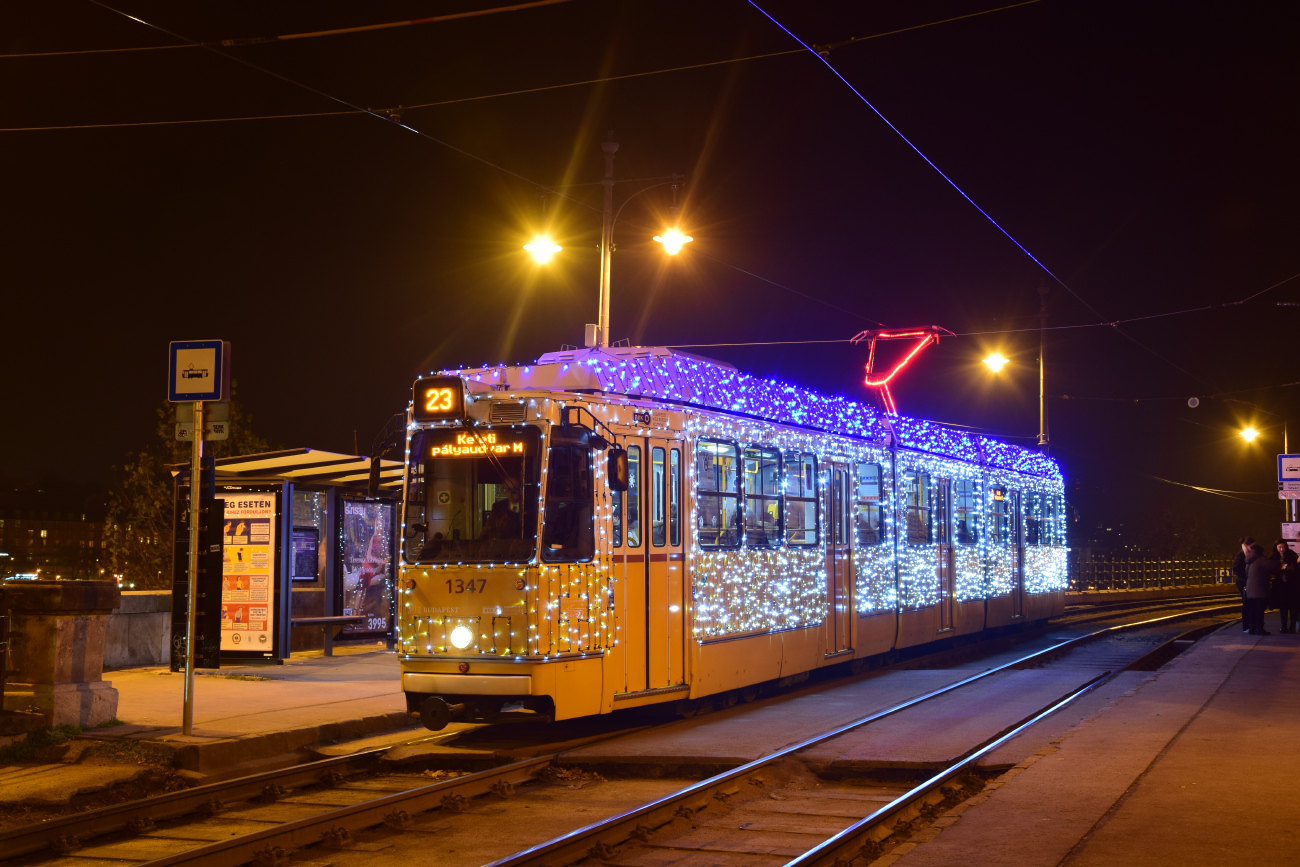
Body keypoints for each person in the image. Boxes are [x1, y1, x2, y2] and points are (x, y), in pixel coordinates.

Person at [1245, 544, 1278, 635]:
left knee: (1252, 609)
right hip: (1259, 589)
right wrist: (1282, 563)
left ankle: (1252, 628)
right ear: (1261, 552)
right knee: (1259, 609)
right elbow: (1274, 565)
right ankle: (1259, 629)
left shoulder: (1249, 560)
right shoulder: (1261, 560)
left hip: (1251, 589)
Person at [1275, 539, 1300, 633]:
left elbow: (1296, 567)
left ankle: (1292, 626)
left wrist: (1288, 568)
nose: (1282, 549)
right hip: (1280, 585)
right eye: (1279, 547)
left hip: (1292, 584)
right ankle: (1284, 626)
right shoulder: (1274, 556)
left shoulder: (1291, 554)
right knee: (1283, 606)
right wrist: (1282, 567)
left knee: (1293, 606)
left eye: (1283, 547)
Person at [1233, 537, 1254, 632]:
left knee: (1249, 602)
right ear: (1246, 546)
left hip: (1247, 581)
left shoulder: (1249, 554)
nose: (1253, 548)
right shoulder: (1241, 555)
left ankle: (1250, 624)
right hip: (1243, 581)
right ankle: (1246, 626)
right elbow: (1236, 569)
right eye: (1251, 546)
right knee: (1246, 602)